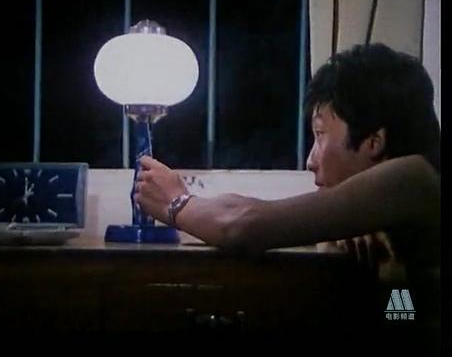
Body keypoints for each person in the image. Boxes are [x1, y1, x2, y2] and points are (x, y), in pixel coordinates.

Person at [134, 43, 440, 278]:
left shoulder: (414, 178)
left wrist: (176, 203)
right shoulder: (403, 198)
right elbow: (403, 315)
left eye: (320, 134)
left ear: (374, 142)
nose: (310, 161)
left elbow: (243, 225)